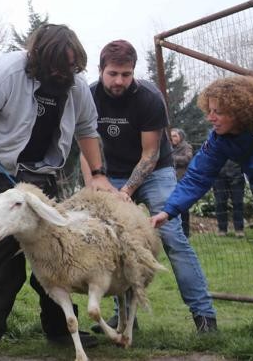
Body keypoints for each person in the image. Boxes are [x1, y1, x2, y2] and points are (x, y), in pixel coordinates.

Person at [0, 23, 116, 356]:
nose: (64, 72)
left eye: (71, 66)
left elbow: (86, 129)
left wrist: (98, 174)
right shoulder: (7, 73)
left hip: (41, 172)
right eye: (58, 65)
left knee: (52, 243)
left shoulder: (76, 85)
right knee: (5, 244)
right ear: (39, 57)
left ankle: (59, 327)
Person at [153, 75, 253, 341]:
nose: (211, 117)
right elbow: (198, 176)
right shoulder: (221, 138)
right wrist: (169, 210)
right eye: (209, 110)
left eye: (218, 112)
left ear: (241, 112)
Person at [82, 40, 217, 333]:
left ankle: (205, 316)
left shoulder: (149, 98)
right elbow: (85, 145)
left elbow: (150, 154)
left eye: (126, 74)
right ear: (101, 70)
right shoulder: (88, 96)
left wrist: (127, 191)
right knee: (113, 241)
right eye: (113, 73)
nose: (119, 81)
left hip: (155, 170)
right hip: (110, 172)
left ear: (133, 73)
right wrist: (93, 182)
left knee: (171, 235)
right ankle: (126, 318)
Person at [212, 159, 247, 237]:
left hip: (237, 174)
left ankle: (239, 229)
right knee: (220, 202)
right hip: (219, 175)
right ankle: (222, 229)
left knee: (238, 202)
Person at [170, 128, 194, 236]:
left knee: (183, 207)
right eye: (171, 136)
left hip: (182, 179)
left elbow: (187, 159)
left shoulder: (186, 147)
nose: (172, 138)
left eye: (175, 136)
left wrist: (172, 158)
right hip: (170, 180)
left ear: (181, 136)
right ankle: (174, 231)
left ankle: (186, 232)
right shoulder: (169, 148)